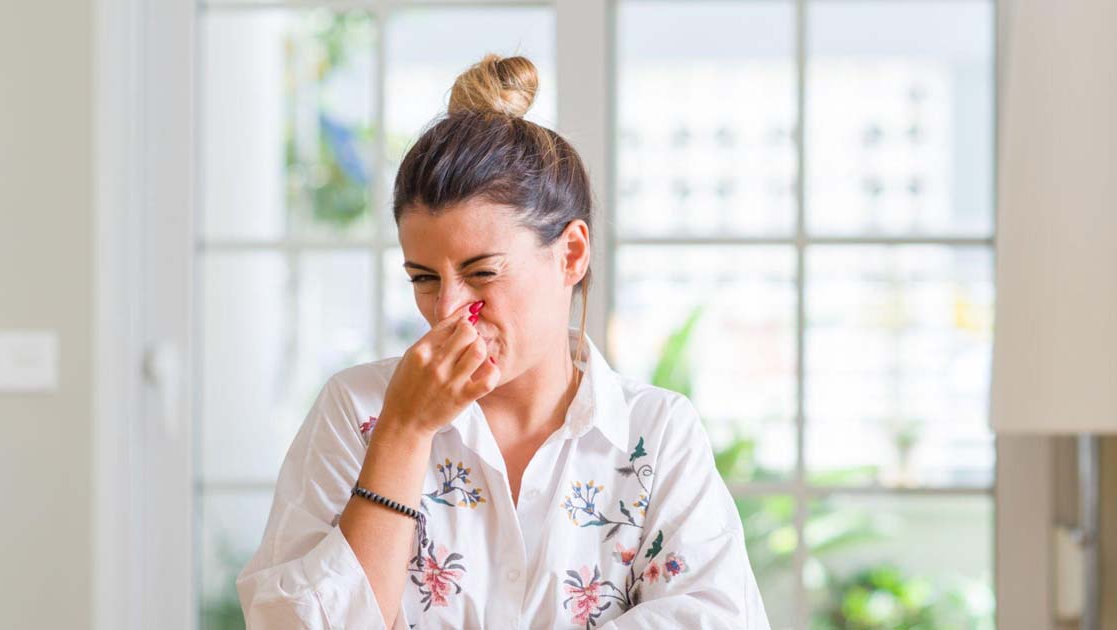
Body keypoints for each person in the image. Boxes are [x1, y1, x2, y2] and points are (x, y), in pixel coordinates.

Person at [236, 53, 772, 630]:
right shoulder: (355, 411)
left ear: (571, 254)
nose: (448, 311)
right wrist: (403, 431)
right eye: (424, 278)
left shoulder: (657, 436)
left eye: (483, 273)